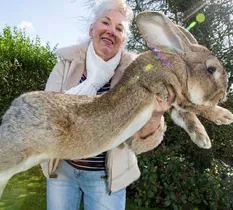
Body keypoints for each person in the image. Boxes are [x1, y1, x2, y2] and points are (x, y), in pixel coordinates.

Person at [41, 0, 174, 209]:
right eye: (106, 22)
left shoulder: (136, 76)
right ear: (92, 29)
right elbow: (45, 115)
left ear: (123, 40)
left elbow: (139, 142)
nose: (111, 31)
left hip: (105, 178)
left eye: (119, 28)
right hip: (63, 171)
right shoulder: (66, 65)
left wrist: (155, 115)